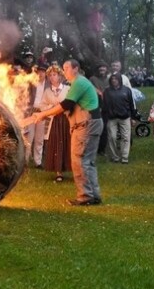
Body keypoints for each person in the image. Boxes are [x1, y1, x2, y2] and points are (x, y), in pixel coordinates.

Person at [28, 60, 102, 206]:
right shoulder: (79, 83)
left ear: (76, 69)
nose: (65, 71)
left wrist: (42, 115)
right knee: (88, 162)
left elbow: (65, 105)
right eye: (63, 68)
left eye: (67, 68)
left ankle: (85, 196)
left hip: (86, 125)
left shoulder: (78, 82)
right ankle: (94, 195)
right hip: (90, 124)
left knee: (80, 161)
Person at [37, 65, 71, 182]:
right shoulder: (47, 91)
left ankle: (68, 167)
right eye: (50, 75)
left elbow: (72, 103)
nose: (52, 77)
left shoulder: (67, 89)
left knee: (67, 142)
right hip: (54, 121)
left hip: (66, 120)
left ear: (60, 76)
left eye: (54, 75)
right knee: (56, 143)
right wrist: (51, 107)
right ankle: (58, 171)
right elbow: (42, 105)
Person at [102, 73, 137, 164]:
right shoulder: (107, 91)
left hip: (125, 117)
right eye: (112, 79)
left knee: (126, 137)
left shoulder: (127, 90)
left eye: (116, 79)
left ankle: (124, 157)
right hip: (112, 118)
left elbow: (131, 104)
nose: (114, 80)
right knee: (112, 137)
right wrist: (105, 116)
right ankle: (115, 156)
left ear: (119, 80)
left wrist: (133, 117)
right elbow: (104, 105)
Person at [24, 64, 47, 168]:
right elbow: (26, 96)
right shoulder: (32, 83)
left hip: (43, 113)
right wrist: (28, 108)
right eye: (39, 72)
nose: (40, 74)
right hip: (32, 113)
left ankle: (38, 162)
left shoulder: (49, 85)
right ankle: (25, 161)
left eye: (43, 72)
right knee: (29, 137)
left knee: (39, 139)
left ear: (46, 73)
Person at [89, 62, 109, 155]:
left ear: (106, 69)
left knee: (104, 128)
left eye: (103, 68)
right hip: (95, 106)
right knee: (95, 128)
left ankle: (102, 149)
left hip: (106, 106)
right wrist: (97, 90)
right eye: (100, 68)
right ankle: (94, 148)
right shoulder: (93, 79)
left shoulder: (109, 79)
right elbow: (88, 88)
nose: (102, 70)